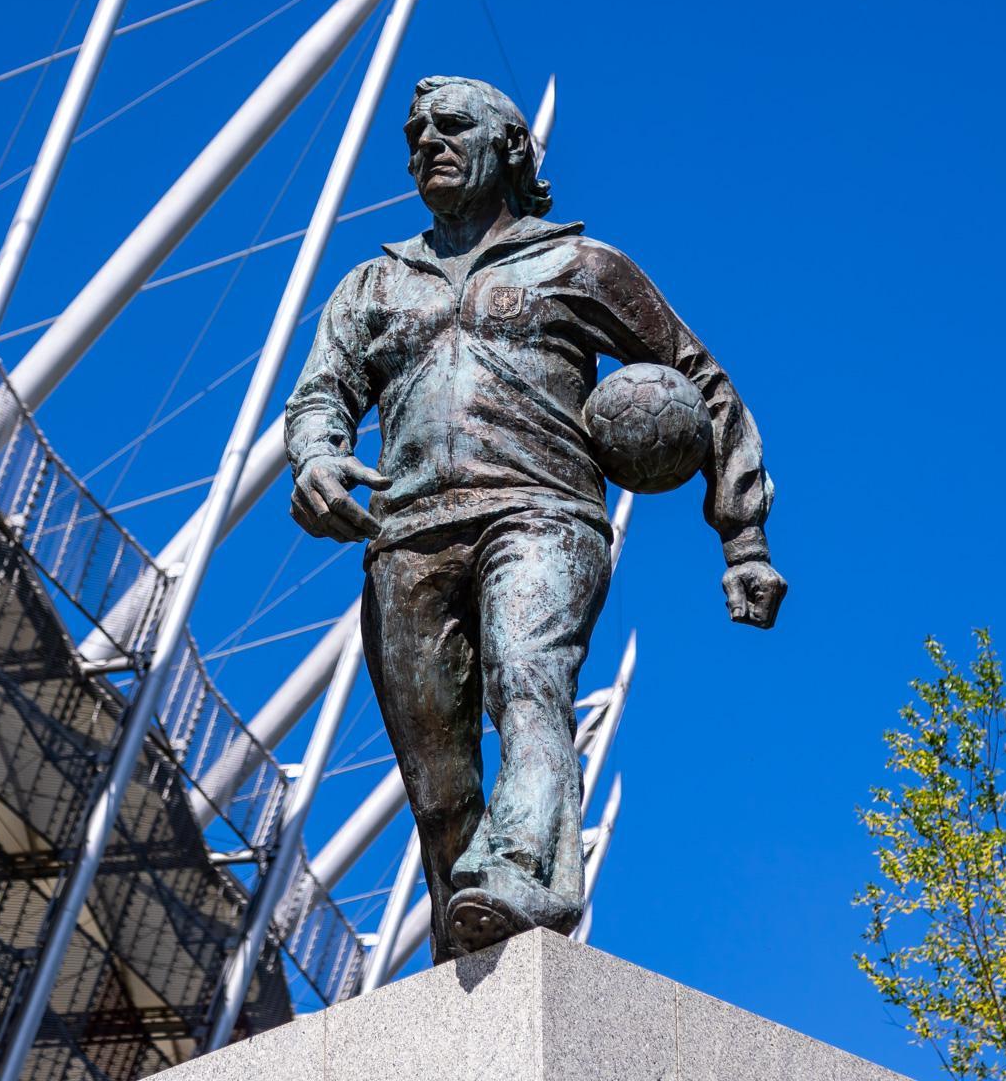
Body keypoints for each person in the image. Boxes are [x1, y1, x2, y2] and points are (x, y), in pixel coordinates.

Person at [285, 75, 786, 959]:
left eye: (450, 126)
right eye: (414, 133)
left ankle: (527, 874)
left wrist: (741, 536)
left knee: (529, 680)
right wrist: (319, 457)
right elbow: (321, 394)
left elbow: (701, 383)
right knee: (439, 788)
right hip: (404, 536)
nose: (425, 143)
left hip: (542, 514)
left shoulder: (580, 266)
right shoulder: (372, 285)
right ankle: (472, 941)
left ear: (511, 148)